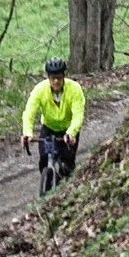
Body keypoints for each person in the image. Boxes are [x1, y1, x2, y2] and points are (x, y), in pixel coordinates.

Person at [22, 55, 86, 184]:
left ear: (64, 76)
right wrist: (27, 133)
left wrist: (72, 133)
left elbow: (78, 115)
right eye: (52, 78)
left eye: (59, 78)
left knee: (67, 164)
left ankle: (66, 187)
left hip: (68, 131)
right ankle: (48, 183)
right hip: (49, 129)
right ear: (48, 77)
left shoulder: (74, 89)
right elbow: (29, 112)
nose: (56, 81)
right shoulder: (40, 90)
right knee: (44, 159)